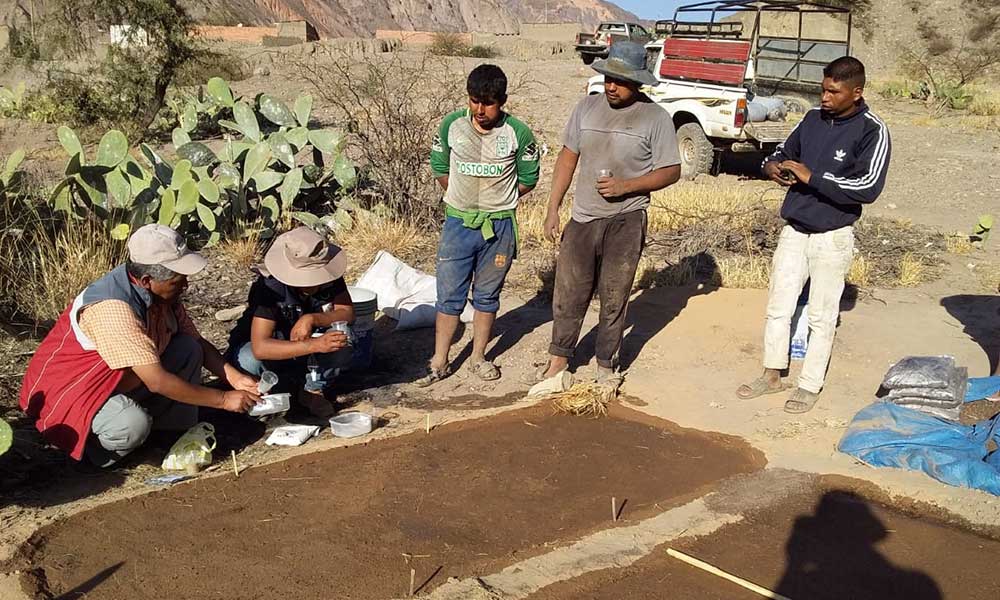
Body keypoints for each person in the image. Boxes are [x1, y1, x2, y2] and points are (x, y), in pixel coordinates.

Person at [19, 224, 260, 467]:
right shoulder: (112, 308)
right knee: (131, 424)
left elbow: (195, 340)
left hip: (121, 381)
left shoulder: (161, 293)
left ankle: (169, 435)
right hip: (77, 396)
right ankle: (95, 454)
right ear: (147, 280)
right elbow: (156, 381)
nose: (185, 285)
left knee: (188, 348)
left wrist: (235, 379)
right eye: (178, 280)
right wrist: (223, 399)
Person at [737, 56, 891, 413]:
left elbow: (867, 187)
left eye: (833, 92)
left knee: (822, 314)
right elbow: (779, 152)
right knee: (779, 305)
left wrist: (812, 177)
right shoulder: (811, 119)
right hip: (795, 228)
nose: (824, 97)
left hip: (832, 235)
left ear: (856, 92)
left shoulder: (873, 130)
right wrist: (773, 167)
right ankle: (771, 373)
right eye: (823, 90)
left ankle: (809, 384)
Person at [536, 41, 681, 388]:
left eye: (620, 80)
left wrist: (627, 186)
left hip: (626, 220)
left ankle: (605, 364)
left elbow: (671, 170)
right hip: (583, 217)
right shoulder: (586, 108)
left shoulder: (655, 118)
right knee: (569, 292)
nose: (611, 86)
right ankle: (559, 362)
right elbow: (568, 156)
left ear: (639, 82)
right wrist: (553, 208)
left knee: (615, 295)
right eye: (608, 78)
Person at [417, 63, 541, 385]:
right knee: (449, 297)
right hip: (458, 225)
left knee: (487, 296)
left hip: (498, 229)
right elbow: (440, 165)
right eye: (474, 100)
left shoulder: (519, 133)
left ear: (502, 101)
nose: (480, 109)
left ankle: (478, 357)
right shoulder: (451, 126)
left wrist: (495, 202)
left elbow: (528, 178)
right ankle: (439, 361)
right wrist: (463, 199)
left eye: (488, 102)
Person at [226, 226, 354, 419]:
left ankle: (312, 390)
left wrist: (312, 318)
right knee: (249, 359)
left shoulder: (330, 276)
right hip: (275, 351)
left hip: (308, 350)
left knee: (344, 338)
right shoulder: (269, 288)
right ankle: (268, 392)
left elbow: (347, 312)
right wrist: (314, 345)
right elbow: (261, 347)